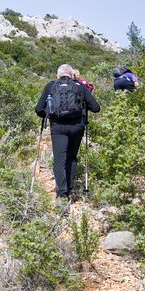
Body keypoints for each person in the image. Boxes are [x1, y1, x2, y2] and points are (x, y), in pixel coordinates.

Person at [36, 64, 101, 200]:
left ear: (57, 75)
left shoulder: (50, 86)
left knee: (59, 160)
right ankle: (69, 189)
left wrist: (48, 114)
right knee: (71, 157)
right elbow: (96, 108)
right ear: (72, 75)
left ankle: (62, 194)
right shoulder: (80, 86)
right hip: (77, 127)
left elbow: (38, 109)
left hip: (58, 127)